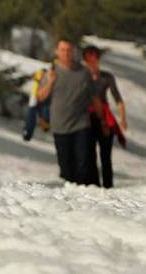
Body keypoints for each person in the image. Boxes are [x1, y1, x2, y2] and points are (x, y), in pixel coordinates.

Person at [37, 39, 108, 185]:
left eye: (69, 50)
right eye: (62, 50)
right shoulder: (51, 72)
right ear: (57, 52)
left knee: (83, 164)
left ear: (73, 52)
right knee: (66, 168)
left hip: (81, 124)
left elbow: (94, 97)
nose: (66, 53)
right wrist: (50, 82)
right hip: (59, 125)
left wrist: (102, 120)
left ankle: (86, 198)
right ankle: (71, 200)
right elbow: (40, 97)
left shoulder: (83, 72)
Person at [82, 45, 127, 188]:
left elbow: (118, 98)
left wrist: (122, 118)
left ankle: (108, 185)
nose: (92, 63)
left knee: (106, 154)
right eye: (89, 60)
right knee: (89, 153)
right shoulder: (81, 77)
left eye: (94, 59)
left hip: (104, 118)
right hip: (87, 118)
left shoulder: (107, 77)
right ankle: (93, 184)